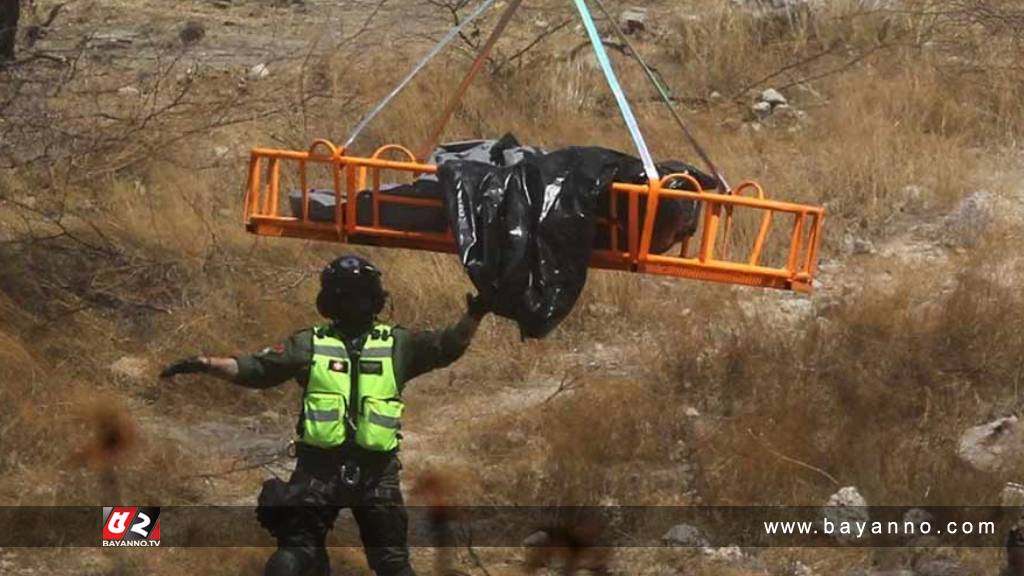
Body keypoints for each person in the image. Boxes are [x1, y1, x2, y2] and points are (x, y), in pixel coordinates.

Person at [161, 255, 489, 576]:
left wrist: (205, 364)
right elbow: (450, 344)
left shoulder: (317, 343)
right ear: (378, 298)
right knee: (385, 562)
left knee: (299, 555)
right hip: (358, 471)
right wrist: (475, 313)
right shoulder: (394, 343)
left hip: (334, 470)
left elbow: (257, 369)